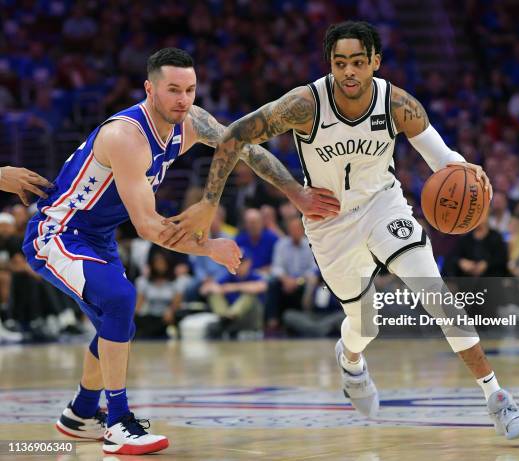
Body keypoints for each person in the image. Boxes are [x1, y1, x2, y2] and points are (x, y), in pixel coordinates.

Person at [166, 22, 519, 439]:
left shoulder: (398, 104)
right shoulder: (304, 104)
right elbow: (235, 136)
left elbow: (444, 161)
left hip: (384, 204)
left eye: (359, 62)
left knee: (432, 290)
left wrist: (467, 170)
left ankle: (498, 398)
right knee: (365, 326)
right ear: (330, 64)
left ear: (375, 62)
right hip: (329, 221)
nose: (349, 72)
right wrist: (218, 201)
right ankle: (352, 360)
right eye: (340, 63)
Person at [21, 48, 334, 455]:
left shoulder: (190, 122)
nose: (183, 99)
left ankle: (80, 414)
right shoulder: (126, 136)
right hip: (58, 233)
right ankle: (117, 421)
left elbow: (243, 147)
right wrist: (211, 248)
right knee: (118, 301)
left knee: (116, 320)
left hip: (97, 238)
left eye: (189, 90)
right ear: (149, 89)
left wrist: (296, 194)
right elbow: (149, 226)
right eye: (172, 90)